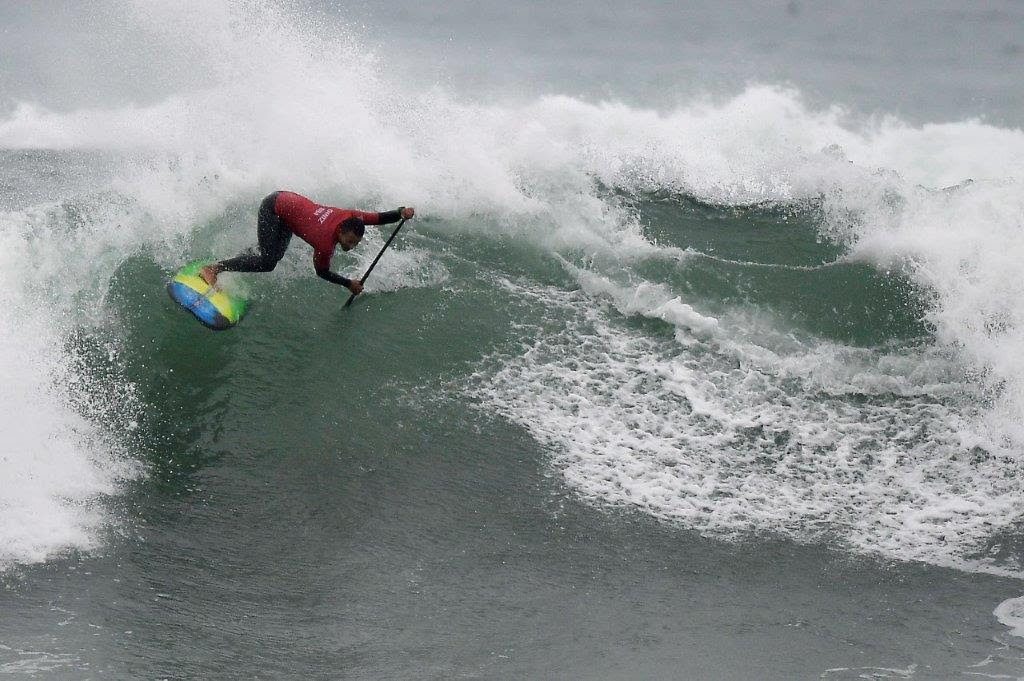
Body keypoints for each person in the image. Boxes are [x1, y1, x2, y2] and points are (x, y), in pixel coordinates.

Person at [200, 191, 415, 295]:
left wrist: (400, 212)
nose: (350, 247)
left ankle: (240, 258)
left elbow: (379, 217)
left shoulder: (352, 217)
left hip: (288, 212)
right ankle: (213, 269)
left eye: (355, 244)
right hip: (274, 207)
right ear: (340, 231)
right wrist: (348, 283)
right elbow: (321, 272)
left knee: (271, 253)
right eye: (349, 242)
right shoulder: (324, 242)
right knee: (268, 262)